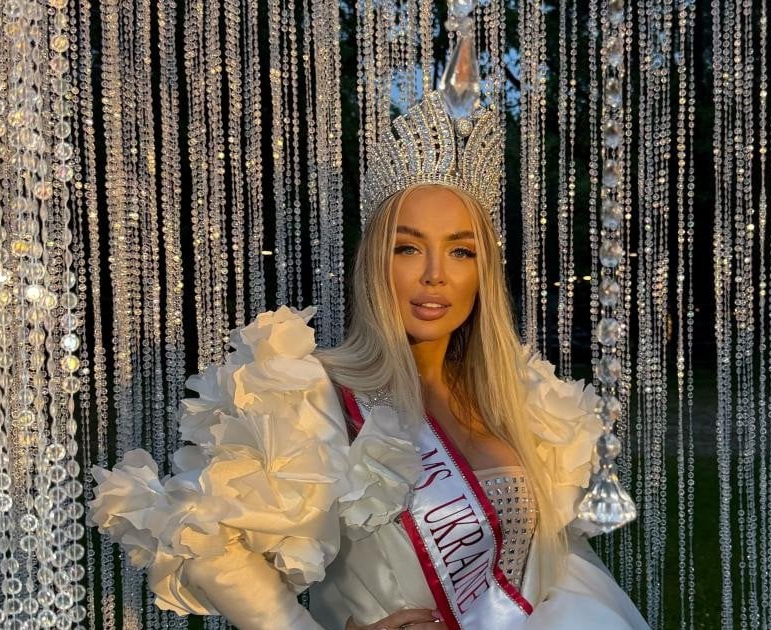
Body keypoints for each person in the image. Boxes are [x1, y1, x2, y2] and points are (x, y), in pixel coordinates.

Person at [88, 87, 648, 630]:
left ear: (483, 272)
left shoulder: (518, 400)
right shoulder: (314, 394)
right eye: (408, 248)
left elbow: (554, 568)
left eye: (460, 250)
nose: (435, 274)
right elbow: (206, 539)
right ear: (376, 262)